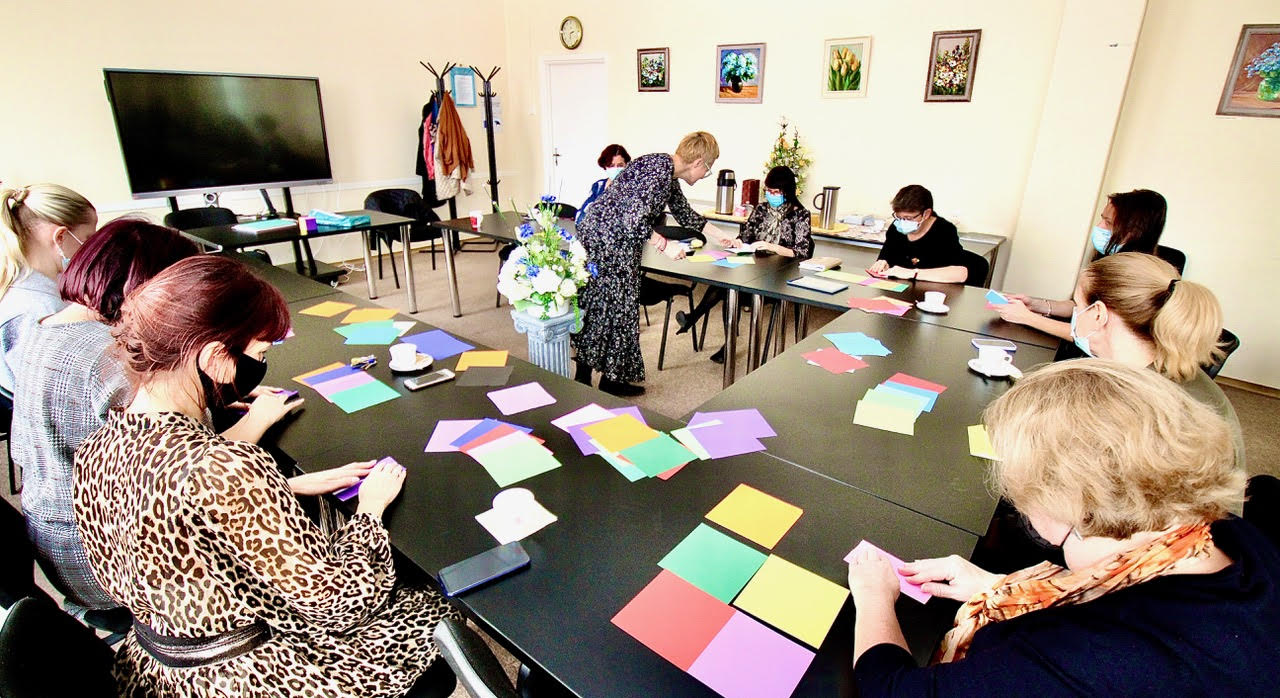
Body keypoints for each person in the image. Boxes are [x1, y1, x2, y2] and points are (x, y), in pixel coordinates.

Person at [73, 256, 459, 696]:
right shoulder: (223, 468)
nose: (261, 366)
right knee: (433, 597)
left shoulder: (98, 445)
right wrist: (369, 511)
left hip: (159, 661)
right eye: (258, 354)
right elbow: (343, 603)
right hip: (248, 675)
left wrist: (279, 489)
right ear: (217, 357)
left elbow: (177, 533)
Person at [847, 360, 1274, 696]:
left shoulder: (1088, 655)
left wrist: (873, 600)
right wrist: (997, 585)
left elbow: (891, 689)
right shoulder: (1230, 537)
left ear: (1065, 501)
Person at [572, 131, 731, 396]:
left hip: (604, 236)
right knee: (610, 307)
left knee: (611, 307)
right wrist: (665, 245)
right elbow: (634, 219)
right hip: (609, 241)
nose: (705, 174)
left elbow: (685, 214)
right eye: (708, 168)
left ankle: (604, 378)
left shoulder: (664, 169)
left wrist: (723, 237)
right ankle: (593, 379)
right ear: (699, 162)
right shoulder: (659, 172)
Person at [1053, 252, 1243, 469]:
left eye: (1078, 305)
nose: (1075, 313)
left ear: (1098, 314)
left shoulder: (1133, 416)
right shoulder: (1165, 374)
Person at [675, 165, 813, 363]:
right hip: (754, 265)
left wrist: (771, 246)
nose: (771, 195)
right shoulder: (761, 209)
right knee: (725, 285)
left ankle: (695, 320)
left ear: (787, 191)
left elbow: (802, 252)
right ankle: (725, 342)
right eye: (768, 191)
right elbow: (745, 236)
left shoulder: (800, 215)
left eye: (775, 192)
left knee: (728, 289)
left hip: (780, 275)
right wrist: (737, 242)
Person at [996, 189, 1168, 340]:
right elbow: (1082, 308)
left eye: (1108, 223)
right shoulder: (1110, 260)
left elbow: (1092, 337)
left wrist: (1027, 318)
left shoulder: (1135, 277)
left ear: (1133, 232)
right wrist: (1036, 305)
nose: (1099, 227)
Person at [0, 183, 97, 398]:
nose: (92, 250)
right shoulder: (33, 311)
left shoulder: (47, 285)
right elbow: (55, 394)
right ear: (60, 237)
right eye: (89, 239)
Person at [867, 185, 967, 283]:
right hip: (898, 290)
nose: (902, 222)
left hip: (931, 293)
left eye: (909, 218)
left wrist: (912, 273)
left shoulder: (944, 231)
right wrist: (882, 263)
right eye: (898, 217)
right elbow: (886, 258)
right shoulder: (896, 228)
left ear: (926, 214)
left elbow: (960, 274)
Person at [577, 144, 632, 224]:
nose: (616, 169)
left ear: (626, 165)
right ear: (605, 166)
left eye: (620, 165)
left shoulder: (633, 188)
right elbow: (583, 214)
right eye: (611, 166)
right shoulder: (598, 186)